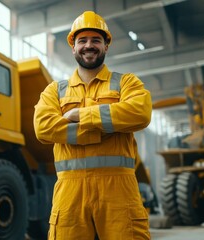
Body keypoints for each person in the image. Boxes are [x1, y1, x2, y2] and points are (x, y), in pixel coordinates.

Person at [33, 11, 152, 239]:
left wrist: (80, 115)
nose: (89, 45)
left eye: (96, 40)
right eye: (82, 40)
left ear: (106, 45)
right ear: (73, 47)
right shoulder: (55, 91)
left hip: (119, 189)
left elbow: (140, 112)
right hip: (70, 191)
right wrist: (104, 128)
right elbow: (43, 128)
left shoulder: (126, 82)